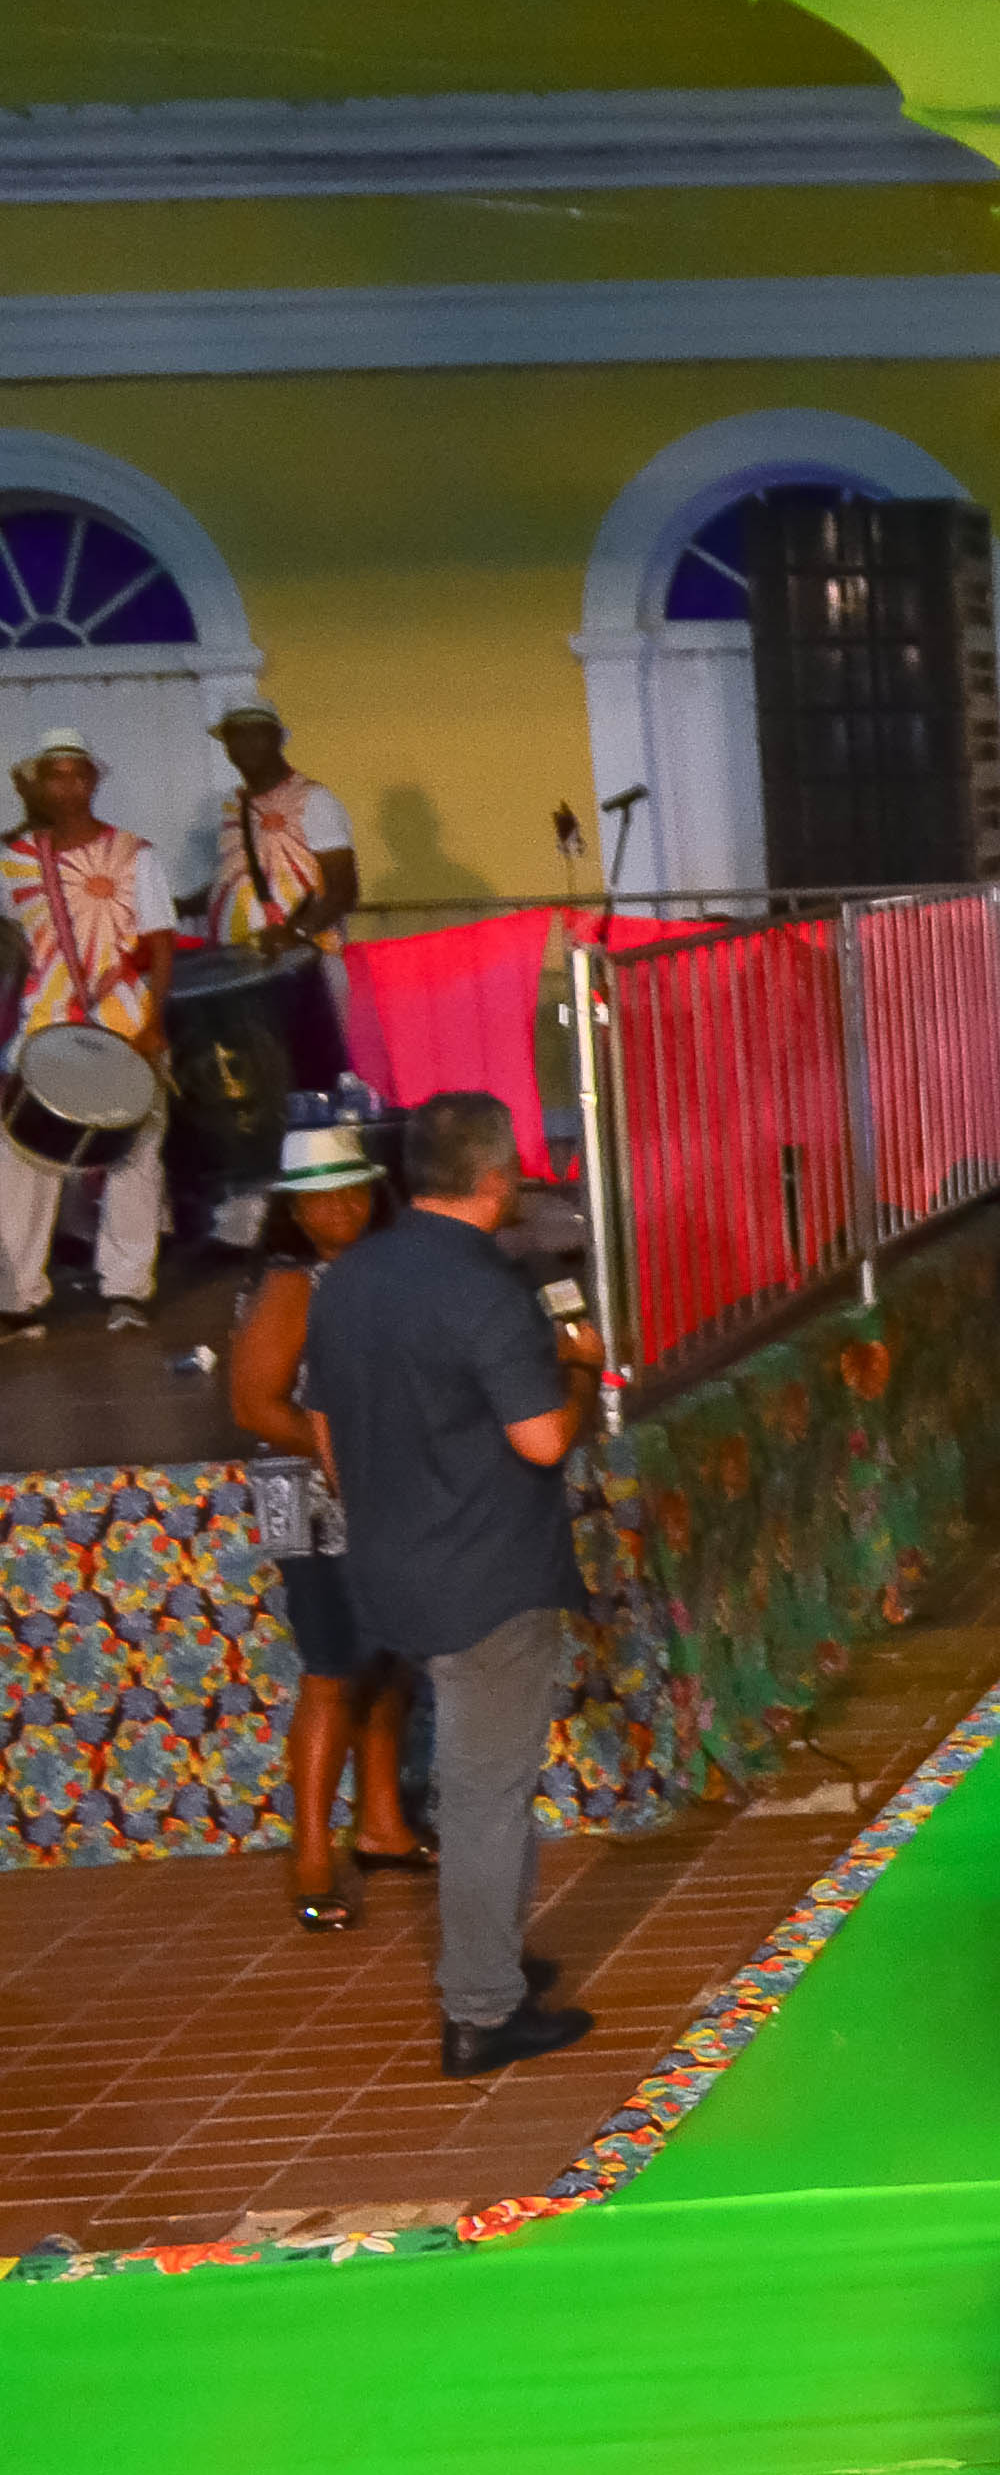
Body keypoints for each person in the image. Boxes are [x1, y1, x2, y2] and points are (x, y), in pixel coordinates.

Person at [300, 1091, 604, 2079]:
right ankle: (481, 2008)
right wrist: (582, 1372)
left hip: (390, 1564)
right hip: (487, 1576)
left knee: (480, 1785)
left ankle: (496, 1959)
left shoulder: (350, 1277)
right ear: (497, 1177)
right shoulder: (486, 1289)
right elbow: (543, 1440)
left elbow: (324, 1425)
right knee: (485, 1796)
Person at [228, 1121, 422, 1933]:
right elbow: (254, 1405)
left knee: (391, 1659)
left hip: (377, 1494)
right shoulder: (293, 1284)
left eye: (351, 1193)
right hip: (308, 1500)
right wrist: (351, 1449)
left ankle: (382, 1825)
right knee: (334, 1667)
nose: (339, 1210)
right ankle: (311, 1853)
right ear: (295, 1212)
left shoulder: (380, 1268)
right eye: (320, 1201)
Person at [1, 725, 177, 1337]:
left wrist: (153, 1025)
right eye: (54, 776)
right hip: (44, 1026)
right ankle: (17, 1297)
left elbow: (160, 945)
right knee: (21, 1156)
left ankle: (127, 1288)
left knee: (134, 1156)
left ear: (93, 781)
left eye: (78, 775)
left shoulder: (134, 854)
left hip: (125, 1020)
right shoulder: (15, 860)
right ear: (38, 786)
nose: (68, 787)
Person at [197, 700, 357, 951]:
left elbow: (343, 890)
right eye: (235, 736)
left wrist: (295, 933)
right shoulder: (234, 805)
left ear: (277, 739)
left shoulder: (313, 800)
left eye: (256, 734)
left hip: (300, 957)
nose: (245, 744)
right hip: (238, 956)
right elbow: (239, 877)